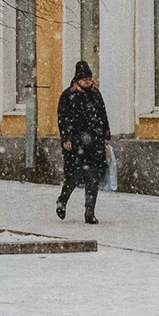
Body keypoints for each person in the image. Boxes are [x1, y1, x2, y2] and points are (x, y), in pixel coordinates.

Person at [55, 60, 111, 225]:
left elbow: (102, 114)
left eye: (89, 78)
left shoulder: (95, 94)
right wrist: (66, 138)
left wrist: (106, 133)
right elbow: (63, 119)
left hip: (95, 143)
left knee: (93, 178)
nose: (88, 81)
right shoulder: (68, 96)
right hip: (75, 144)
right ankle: (62, 201)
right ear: (77, 79)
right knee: (73, 176)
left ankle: (89, 212)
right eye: (84, 79)